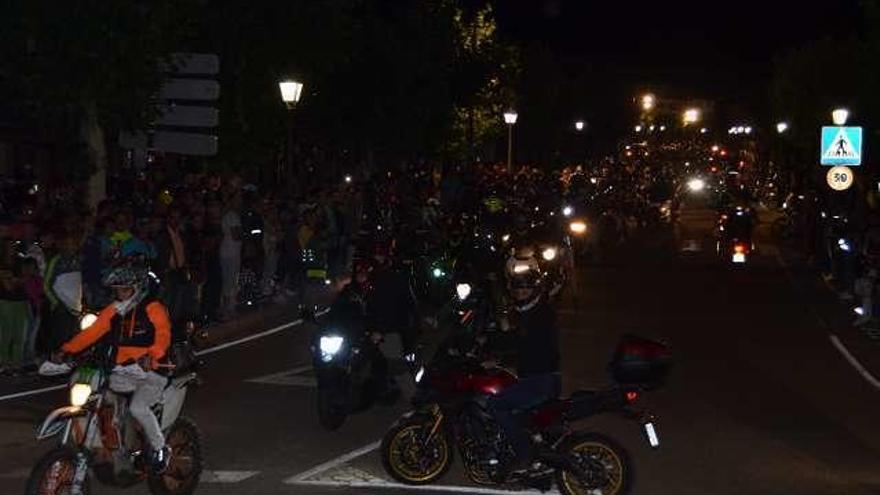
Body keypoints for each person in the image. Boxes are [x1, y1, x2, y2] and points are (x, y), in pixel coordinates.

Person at [54, 266, 173, 473]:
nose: (120, 294)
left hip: (151, 371)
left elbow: (163, 335)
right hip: (121, 371)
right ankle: (104, 446)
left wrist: (152, 354)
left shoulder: (153, 308)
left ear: (138, 288)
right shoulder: (114, 310)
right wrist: (66, 349)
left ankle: (160, 447)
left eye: (125, 290)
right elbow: (92, 332)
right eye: (117, 290)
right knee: (94, 398)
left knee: (138, 408)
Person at [486, 272, 560, 478]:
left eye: (526, 287)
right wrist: (488, 339)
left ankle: (524, 455)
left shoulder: (540, 314)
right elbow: (515, 339)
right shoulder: (529, 311)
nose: (521, 292)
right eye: (518, 288)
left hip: (540, 380)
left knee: (495, 404)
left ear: (534, 289)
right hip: (539, 376)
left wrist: (499, 360)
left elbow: (527, 347)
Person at [219, 193, 243, 318]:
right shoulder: (232, 216)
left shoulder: (231, 215)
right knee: (229, 280)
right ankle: (227, 309)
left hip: (231, 252)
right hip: (230, 253)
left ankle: (230, 306)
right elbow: (236, 234)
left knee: (231, 280)